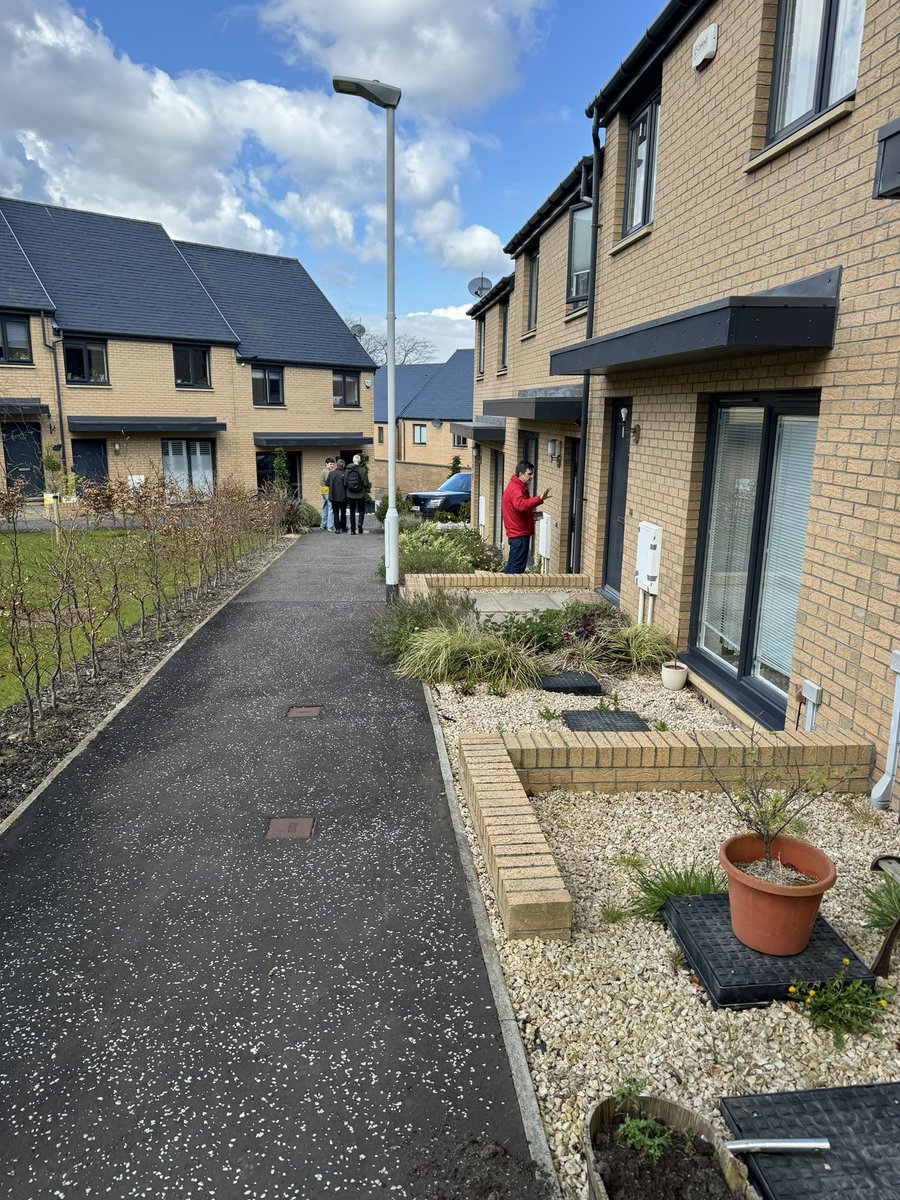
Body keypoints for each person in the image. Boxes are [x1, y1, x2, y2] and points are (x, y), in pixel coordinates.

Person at [501, 460, 550, 574]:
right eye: (529, 474)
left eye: (532, 474)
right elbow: (521, 505)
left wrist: (531, 515)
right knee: (517, 568)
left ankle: (504, 588)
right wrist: (540, 498)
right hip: (519, 534)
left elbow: (519, 508)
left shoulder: (516, 486)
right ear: (520, 474)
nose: (531, 477)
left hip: (517, 533)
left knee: (512, 565)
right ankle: (512, 590)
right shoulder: (516, 489)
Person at [345, 453, 370, 535]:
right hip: (360, 494)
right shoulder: (363, 470)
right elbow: (366, 483)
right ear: (359, 461)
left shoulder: (347, 469)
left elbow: (345, 483)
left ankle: (352, 530)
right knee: (362, 510)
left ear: (353, 461)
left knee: (352, 511)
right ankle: (360, 524)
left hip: (350, 494)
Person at [327, 458, 348, 533]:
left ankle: (337, 529)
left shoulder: (331, 473)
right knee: (343, 512)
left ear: (337, 464)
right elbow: (347, 485)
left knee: (335, 512)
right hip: (343, 496)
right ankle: (343, 527)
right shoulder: (345, 473)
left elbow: (327, 483)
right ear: (343, 465)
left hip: (333, 496)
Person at [319, 457, 335, 530]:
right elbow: (329, 482)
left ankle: (323, 525)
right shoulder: (327, 472)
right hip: (328, 491)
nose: (332, 466)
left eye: (333, 464)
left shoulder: (322, 471)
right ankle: (330, 526)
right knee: (331, 508)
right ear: (326, 464)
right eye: (330, 464)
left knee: (325, 508)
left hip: (323, 490)